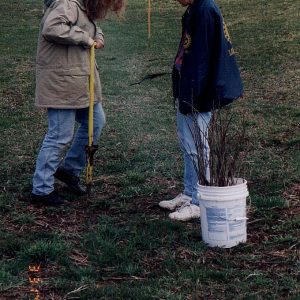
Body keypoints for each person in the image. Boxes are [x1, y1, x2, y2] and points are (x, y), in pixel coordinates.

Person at [31, 0, 125, 206]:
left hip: (80, 81)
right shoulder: (67, 4)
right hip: (62, 82)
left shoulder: (83, 7)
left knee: (96, 122)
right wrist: (85, 39)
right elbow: (52, 28)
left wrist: (97, 37)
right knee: (59, 136)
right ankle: (41, 190)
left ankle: (69, 170)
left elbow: (90, 28)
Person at [159, 0, 243, 221]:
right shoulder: (195, 8)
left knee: (197, 146)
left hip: (198, 91)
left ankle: (199, 201)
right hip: (188, 87)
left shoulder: (205, 9)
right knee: (188, 144)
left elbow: (202, 59)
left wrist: (192, 96)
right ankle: (189, 193)